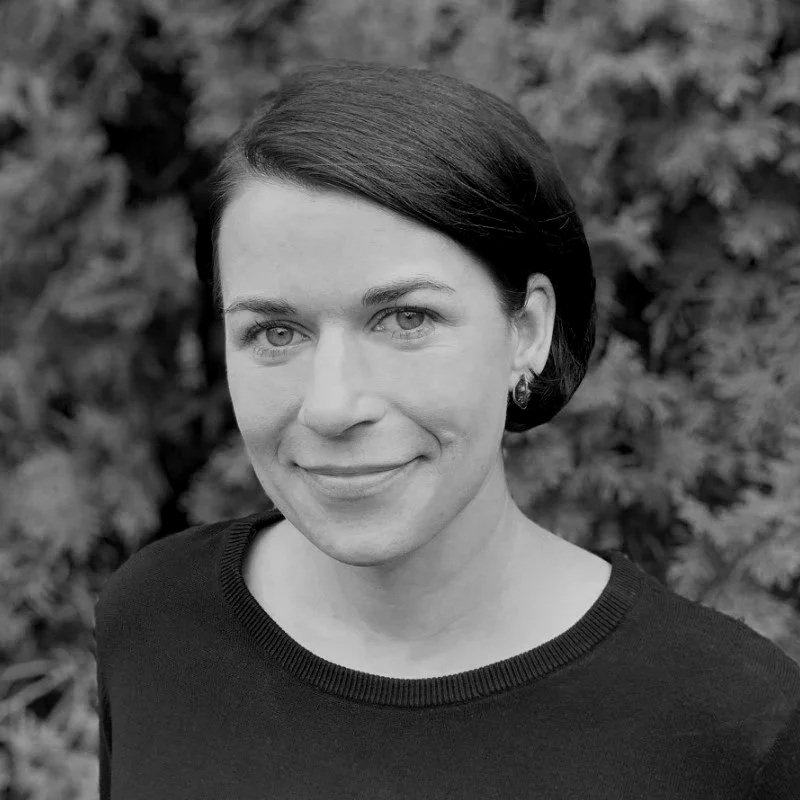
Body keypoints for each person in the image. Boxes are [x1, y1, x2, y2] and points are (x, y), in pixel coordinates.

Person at [94, 61, 800, 799]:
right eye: (275, 332)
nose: (332, 406)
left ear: (526, 330)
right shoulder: (154, 623)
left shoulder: (731, 726)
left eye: (406, 319)